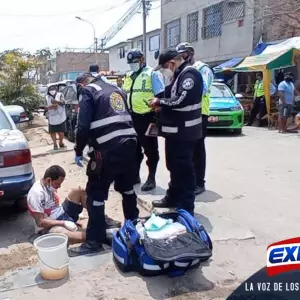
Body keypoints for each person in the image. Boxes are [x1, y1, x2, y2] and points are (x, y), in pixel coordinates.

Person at [69, 72, 140, 256]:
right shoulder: (116, 89)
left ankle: (94, 241)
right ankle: (134, 229)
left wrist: (78, 150)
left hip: (107, 150)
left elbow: (83, 127)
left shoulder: (88, 92)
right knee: (127, 189)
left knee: (95, 194)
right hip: (130, 146)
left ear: (81, 84)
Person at [150, 50, 203, 216]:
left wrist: (160, 102)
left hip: (185, 132)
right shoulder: (177, 75)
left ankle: (186, 207)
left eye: (164, 67)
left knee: (184, 170)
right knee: (173, 167)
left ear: (172, 63)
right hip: (174, 132)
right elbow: (169, 94)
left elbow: (181, 100)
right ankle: (172, 197)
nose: (164, 71)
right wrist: (159, 101)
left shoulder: (190, 75)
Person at [122, 49, 165, 191]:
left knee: (151, 150)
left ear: (141, 60)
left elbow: (161, 95)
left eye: (134, 62)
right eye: (130, 63)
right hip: (131, 117)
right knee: (133, 149)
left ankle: (151, 178)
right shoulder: (129, 76)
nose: (132, 65)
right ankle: (134, 175)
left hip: (148, 117)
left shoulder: (152, 73)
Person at [176, 42, 214, 195]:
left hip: (200, 113)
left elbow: (202, 89)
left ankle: (200, 182)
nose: (181, 58)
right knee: (187, 149)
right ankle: (189, 180)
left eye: (183, 55)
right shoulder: (182, 70)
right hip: (187, 114)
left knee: (198, 149)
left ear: (190, 54)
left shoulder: (202, 69)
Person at [27, 165, 86, 244]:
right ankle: (97, 237)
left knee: (79, 190)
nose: (59, 187)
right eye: (57, 184)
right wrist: (63, 223)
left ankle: (97, 218)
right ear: (49, 180)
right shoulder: (36, 194)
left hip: (61, 212)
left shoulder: (47, 185)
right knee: (78, 237)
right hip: (49, 225)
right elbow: (40, 222)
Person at [46, 85, 67, 150]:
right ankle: (55, 144)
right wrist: (48, 107)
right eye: (50, 90)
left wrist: (56, 102)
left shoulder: (60, 95)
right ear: (48, 91)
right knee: (52, 132)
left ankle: (61, 142)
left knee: (61, 132)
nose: (51, 91)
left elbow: (63, 103)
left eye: (53, 89)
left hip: (61, 116)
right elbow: (45, 105)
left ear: (56, 90)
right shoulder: (47, 97)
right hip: (52, 116)